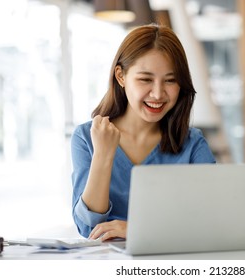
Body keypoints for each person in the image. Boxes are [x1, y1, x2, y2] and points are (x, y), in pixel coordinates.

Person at [70, 24, 216, 241]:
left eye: (170, 80)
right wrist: (103, 153)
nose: (158, 94)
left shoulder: (192, 143)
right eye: (145, 79)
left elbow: (213, 220)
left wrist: (137, 230)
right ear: (121, 76)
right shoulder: (86, 137)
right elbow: (89, 227)